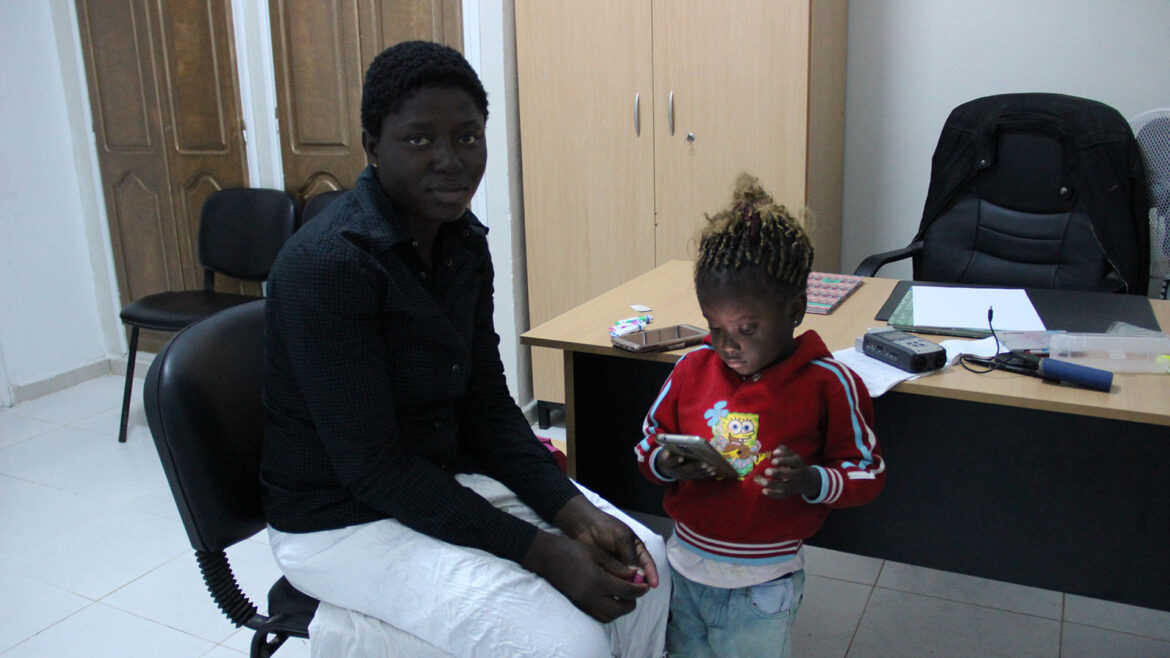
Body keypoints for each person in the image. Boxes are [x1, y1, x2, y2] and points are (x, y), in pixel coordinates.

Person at [261, 40, 669, 657]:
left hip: (434, 481)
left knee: (649, 559)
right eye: (419, 140)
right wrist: (543, 553)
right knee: (566, 642)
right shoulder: (329, 266)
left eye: (468, 137)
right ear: (373, 145)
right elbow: (373, 468)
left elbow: (484, 404)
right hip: (338, 522)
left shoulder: (461, 243)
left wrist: (571, 510)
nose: (450, 161)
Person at [634, 174, 886, 657]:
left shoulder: (828, 383)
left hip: (762, 587)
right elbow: (648, 442)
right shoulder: (692, 368)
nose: (728, 344)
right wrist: (667, 463)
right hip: (685, 570)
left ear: (795, 309)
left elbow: (868, 473)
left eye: (747, 328)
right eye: (715, 326)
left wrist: (811, 479)